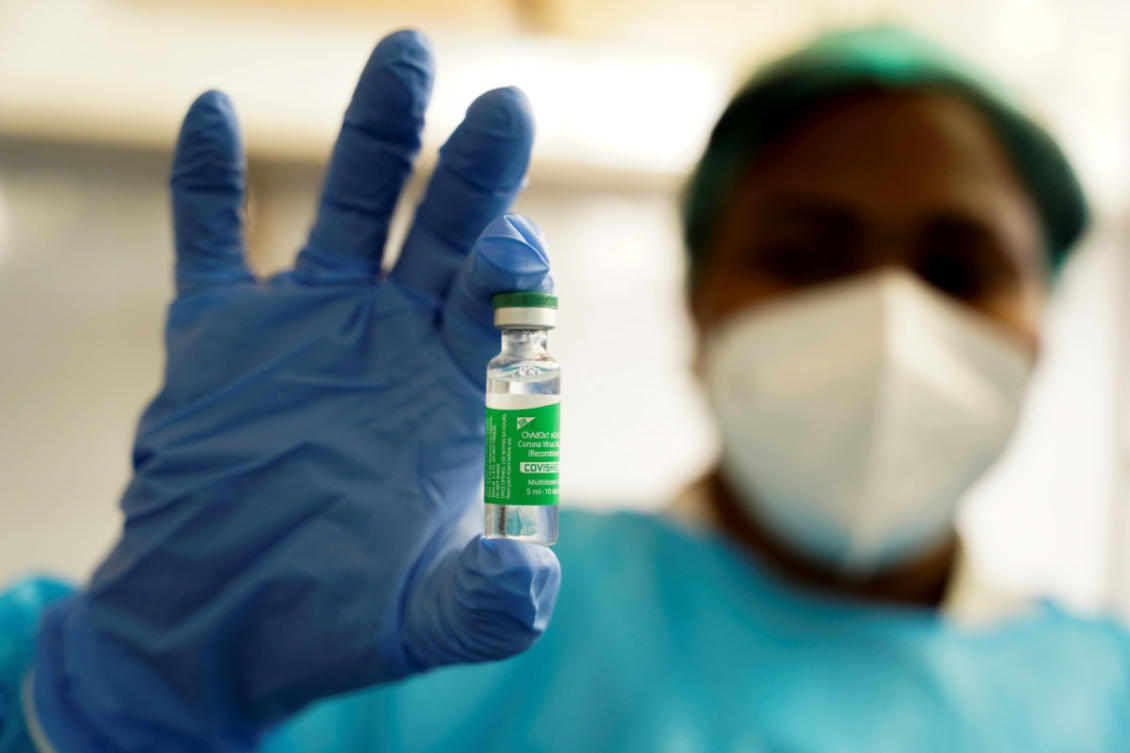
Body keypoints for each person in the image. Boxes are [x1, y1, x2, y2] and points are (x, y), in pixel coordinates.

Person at [1, 25, 1127, 753]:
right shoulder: (441, 610)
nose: (887, 315)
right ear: (696, 306)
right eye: (808, 251)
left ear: (1041, 326)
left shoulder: (1105, 696)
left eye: (957, 268)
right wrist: (122, 695)